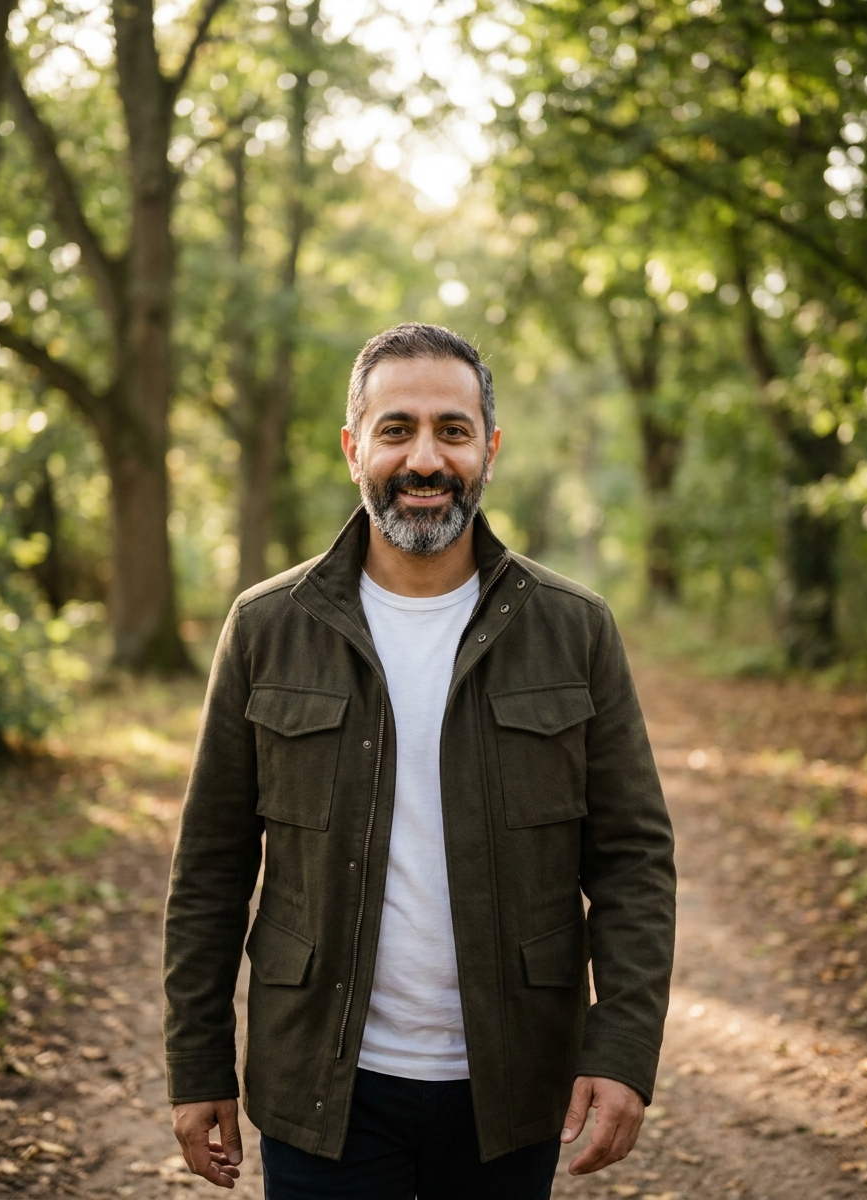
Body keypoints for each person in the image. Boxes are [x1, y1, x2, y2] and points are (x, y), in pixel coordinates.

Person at [163, 322, 676, 1200]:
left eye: (454, 429)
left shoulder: (574, 627)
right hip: (319, 1084)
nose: (426, 459)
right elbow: (210, 867)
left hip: (511, 1084)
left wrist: (623, 1050)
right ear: (353, 445)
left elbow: (633, 859)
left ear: (490, 448)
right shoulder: (266, 626)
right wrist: (197, 1060)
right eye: (397, 429)